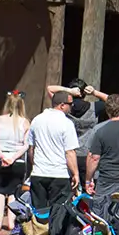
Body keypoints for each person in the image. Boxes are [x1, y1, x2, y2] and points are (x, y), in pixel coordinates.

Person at [28, 89, 81, 223]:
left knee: (39, 213)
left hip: (39, 173)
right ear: (62, 105)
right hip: (59, 174)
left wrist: (34, 166)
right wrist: (75, 173)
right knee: (58, 215)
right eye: (70, 104)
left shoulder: (37, 120)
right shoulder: (66, 123)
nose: (72, 107)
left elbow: (31, 149)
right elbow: (69, 152)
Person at [0, 91, 32, 231]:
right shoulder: (25, 122)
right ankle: (11, 222)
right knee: (13, 192)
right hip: (17, 162)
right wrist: (13, 157)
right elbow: (26, 144)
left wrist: (2, 156)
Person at [83, 94, 119, 202]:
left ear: (107, 111)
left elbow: (93, 158)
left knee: (101, 212)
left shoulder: (100, 130)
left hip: (106, 180)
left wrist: (88, 180)